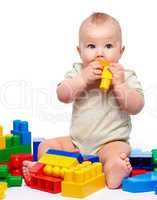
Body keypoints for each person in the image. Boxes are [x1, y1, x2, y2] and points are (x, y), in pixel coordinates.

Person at [23, 12, 144, 189]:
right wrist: (82, 80)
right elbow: (63, 95)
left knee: (117, 153)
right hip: (77, 143)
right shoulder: (78, 72)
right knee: (45, 147)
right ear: (80, 51)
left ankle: (114, 171)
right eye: (91, 46)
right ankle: (52, 166)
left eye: (108, 46)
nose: (99, 53)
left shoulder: (125, 76)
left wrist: (120, 86)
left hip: (110, 142)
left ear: (121, 51)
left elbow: (136, 106)